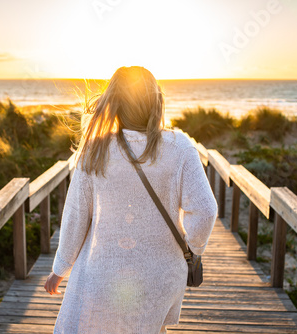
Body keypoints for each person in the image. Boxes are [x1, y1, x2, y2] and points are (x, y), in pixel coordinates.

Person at [44, 66, 218, 333]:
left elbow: (76, 216)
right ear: (156, 102)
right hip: (160, 277)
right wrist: (192, 247)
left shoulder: (95, 149)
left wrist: (60, 268)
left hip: (102, 274)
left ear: (114, 104)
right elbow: (205, 211)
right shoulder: (180, 148)